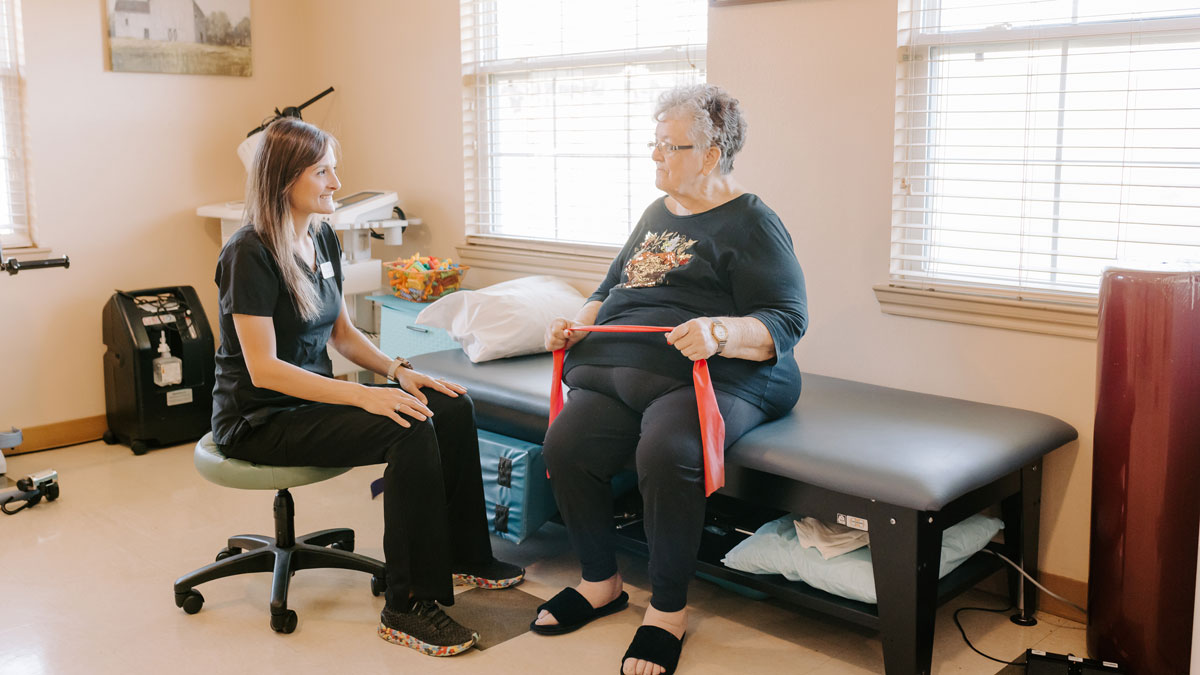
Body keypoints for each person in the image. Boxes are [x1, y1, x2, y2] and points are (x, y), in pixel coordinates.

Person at [211, 117, 523, 658]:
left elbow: (342, 331)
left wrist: (397, 372)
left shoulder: (321, 237)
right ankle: (407, 605)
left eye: (334, 170)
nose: (336, 183)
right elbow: (263, 369)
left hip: (310, 402)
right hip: (260, 418)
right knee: (408, 428)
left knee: (449, 404)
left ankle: (465, 554)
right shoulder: (249, 253)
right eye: (323, 172)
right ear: (287, 180)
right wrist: (364, 395)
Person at [533, 85, 808, 675]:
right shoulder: (656, 214)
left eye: (668, 146)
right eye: (653, 144)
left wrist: (718, 332)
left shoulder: (753, 222)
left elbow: (787, 321)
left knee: (666, 450)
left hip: (724, 375)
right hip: (629, 366)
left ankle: (666, 612)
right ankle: (600, 583)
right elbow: (610, 289)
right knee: (566, 442)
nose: (655, 157)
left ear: (710, 154)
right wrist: (576, 326)